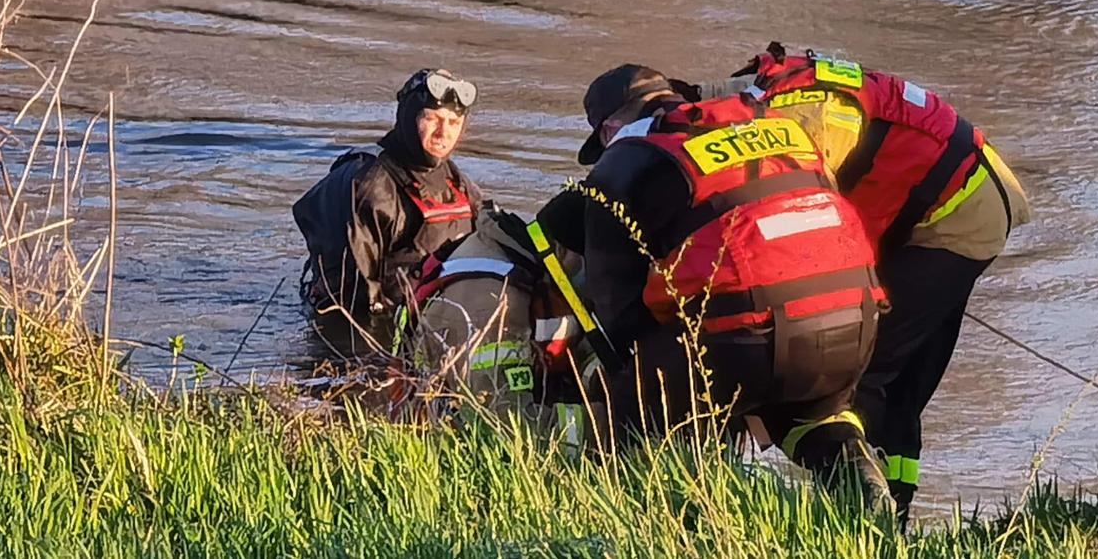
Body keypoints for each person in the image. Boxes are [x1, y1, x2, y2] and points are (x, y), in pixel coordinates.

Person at [536, 64, 893, 505]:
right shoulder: (777, 125)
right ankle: (860, 484)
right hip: (854, 323)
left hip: (744, 340)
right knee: (812, 414)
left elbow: (620, 320)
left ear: (610, 129)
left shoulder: (626, 160)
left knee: (628, 405)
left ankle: (644, 507)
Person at [708, 42, 1033, 521]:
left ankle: (862, 520)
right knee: (903, 383)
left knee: (853, 366)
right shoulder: (777, 96)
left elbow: (805, 226)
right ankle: (894, 515)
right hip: (959, 195)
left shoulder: (796, 124)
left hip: (955, 216)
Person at [293, 69, 482, 351]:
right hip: (362, 337)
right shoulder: (369, 184)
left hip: (433, 329)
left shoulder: (460, 186)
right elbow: (353, 303)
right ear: (408, 116)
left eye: (454, 122)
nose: (444, 133)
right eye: (432, 119)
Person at [400, 201, 589, 447]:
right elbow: (504, 425)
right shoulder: (495, 303)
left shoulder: (531, 260)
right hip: (451, 447)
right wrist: (608, 426)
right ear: (566, 251)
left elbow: (581, 344)